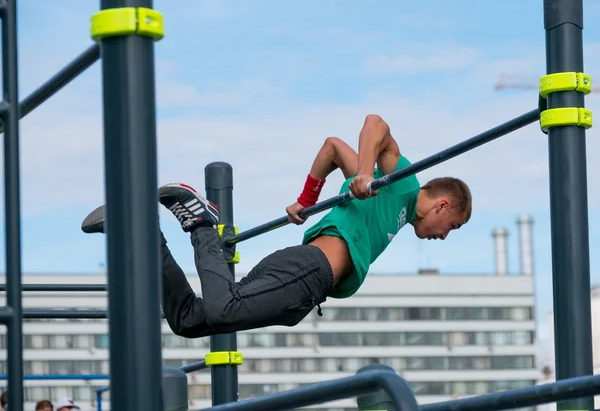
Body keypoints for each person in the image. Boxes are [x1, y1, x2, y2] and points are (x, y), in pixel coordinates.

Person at [81, 114, 472, 337]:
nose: (442, 237)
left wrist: (306, 201)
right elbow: (375, 125)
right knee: (223, 310)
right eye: (451, 227)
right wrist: (366, 173)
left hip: (301, 285)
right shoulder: (404, 183)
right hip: (308, 272)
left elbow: (332, 148)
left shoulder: (395, 208)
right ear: (442, 204)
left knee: (187, 320)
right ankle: (201, 221)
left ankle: (141, 234)